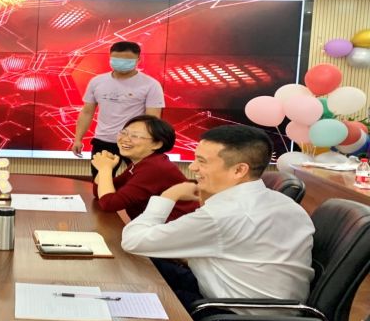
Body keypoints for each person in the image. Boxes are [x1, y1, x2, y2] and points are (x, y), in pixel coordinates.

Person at [121, 125, 315, 310]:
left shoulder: (223, 214)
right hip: (266, 306)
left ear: (239, 170)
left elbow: (132, 241)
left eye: (202, 161)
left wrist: (169, 195)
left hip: (237, 317)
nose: (193, 167)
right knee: (145, 266)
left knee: (133, 289)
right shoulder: (285, 202)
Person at [72, 41, 165, 181]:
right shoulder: (97, 82)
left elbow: (152, 118)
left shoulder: (151, 85)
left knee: (140, 182)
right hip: (104, 141)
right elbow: (87, 112)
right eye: (116, 59)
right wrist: (78, 139)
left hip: (135, 142)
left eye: (126, 60)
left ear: (138, 59)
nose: (121, 63)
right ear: (110, 58)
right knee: (100, 182)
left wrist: (149, 144)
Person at [93, 115, 198, 223]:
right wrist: (103, 168)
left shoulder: (155, 168)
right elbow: (100, 194)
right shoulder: (142, 163)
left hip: (176, 229)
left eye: (135, 136)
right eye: (124, 133)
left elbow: (109, 204)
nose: (125, 139)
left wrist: (105, 168)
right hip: (154, 227)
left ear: (157, 144)